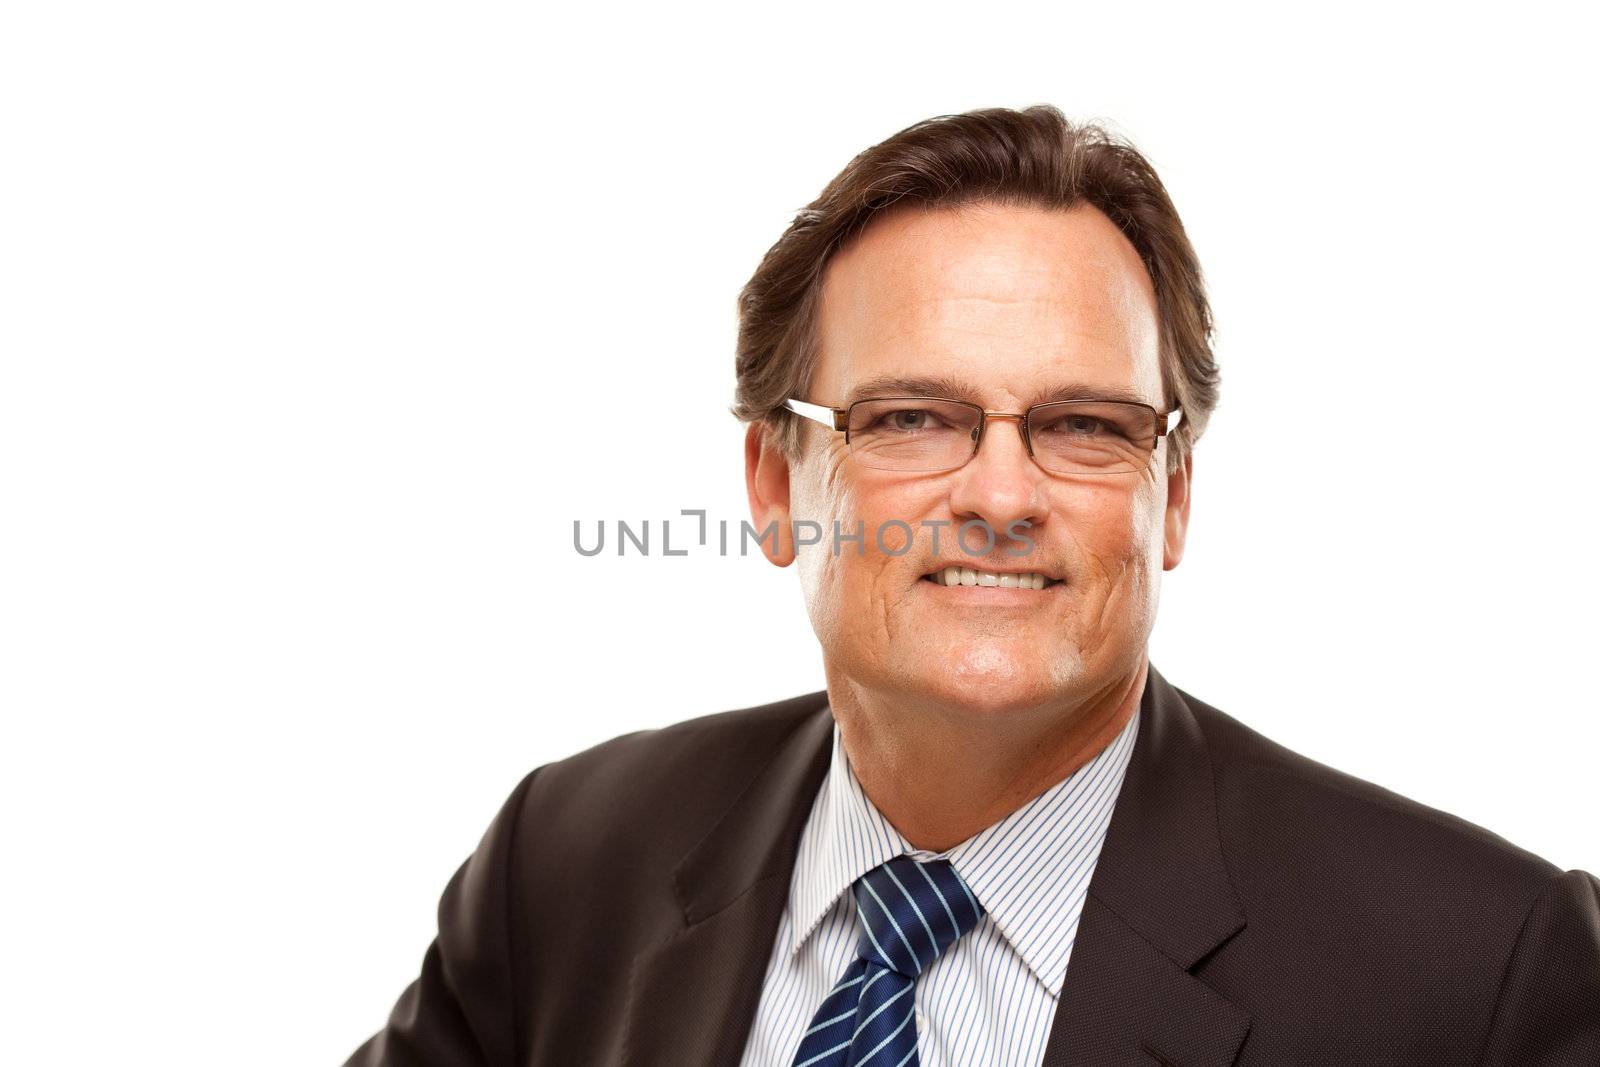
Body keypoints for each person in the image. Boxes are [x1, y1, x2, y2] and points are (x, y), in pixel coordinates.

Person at [344, 105, 1600, 1066]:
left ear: (1169, 498)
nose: (1000, 497)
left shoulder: (1479, 972)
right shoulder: (562, 864)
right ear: (778, 488)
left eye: (1085, 425)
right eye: (909, 416)